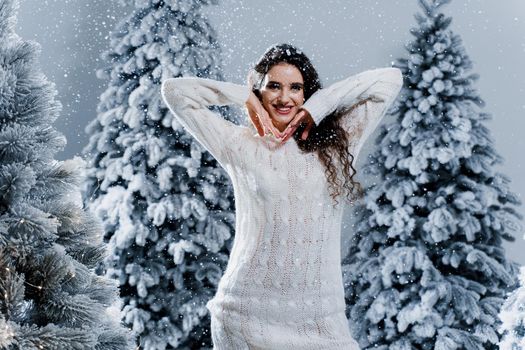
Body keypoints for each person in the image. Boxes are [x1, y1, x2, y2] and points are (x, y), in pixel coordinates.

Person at [161, 43, 403, 350]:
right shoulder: (238, 144)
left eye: (295, 88)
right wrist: (244, 96)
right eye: (273, 86)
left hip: (322, 322)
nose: (284, 97)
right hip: (246, 317)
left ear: (306, 93)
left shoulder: (339, 140)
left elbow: (389, 80)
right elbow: (175, 92)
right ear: (260, 91)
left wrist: (319, 106)